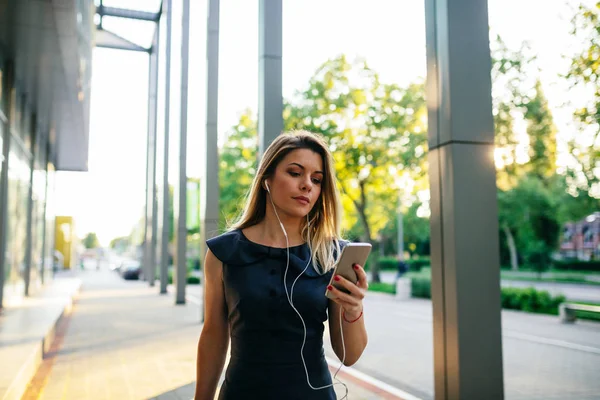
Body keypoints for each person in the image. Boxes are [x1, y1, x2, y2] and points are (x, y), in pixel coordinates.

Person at [193, 131, 369, 400]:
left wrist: (354, 309)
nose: (307, 185)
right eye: (295, 173)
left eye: (316, 179)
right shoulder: (223, 253)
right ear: (267, 178)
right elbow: (214, 335)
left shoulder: (333, 255)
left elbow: (350, 355)